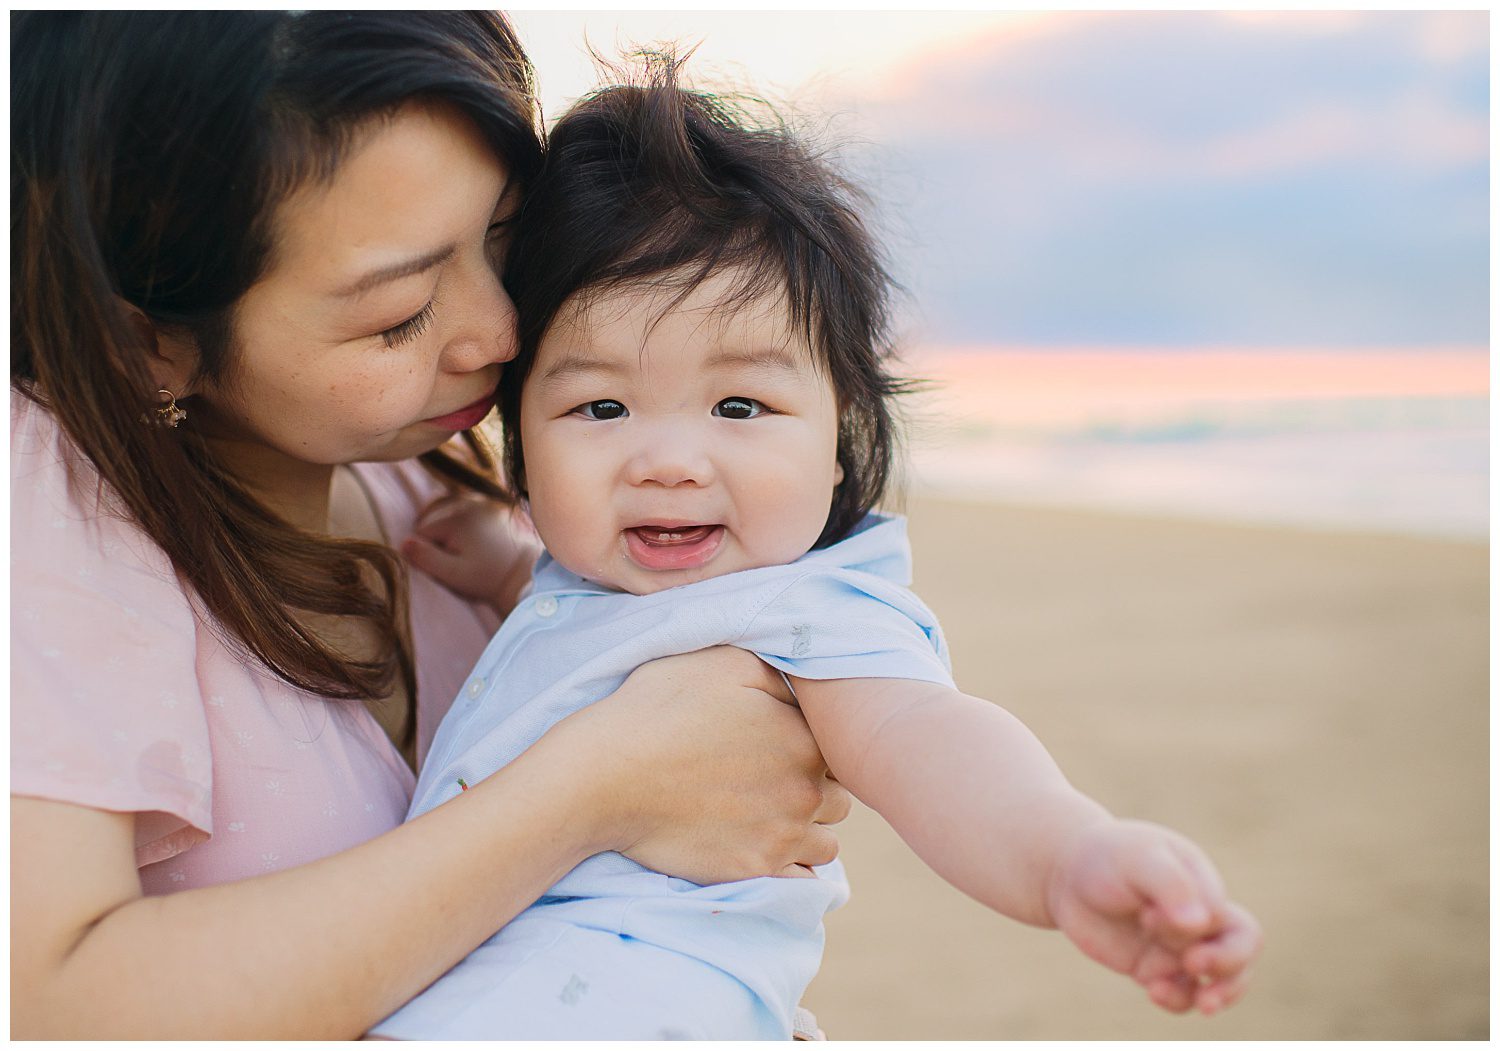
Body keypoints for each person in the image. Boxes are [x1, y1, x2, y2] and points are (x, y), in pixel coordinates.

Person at [372, 62, 1264, 1041]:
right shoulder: (587, 581)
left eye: (740, 405)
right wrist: (508, 570)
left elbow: (926, 740)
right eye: (601, 407)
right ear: (522, 438)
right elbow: (605, 646)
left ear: (839, 439)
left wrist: (1065, 852)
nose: (669, 460)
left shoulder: (811, 610)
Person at [9, 13, 853, 1040]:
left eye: (503, 240)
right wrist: (600, 786)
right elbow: (48, 1002)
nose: (501, 330)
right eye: (400, 313)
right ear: (143, 340)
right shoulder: (48, 505)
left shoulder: (429, 482)